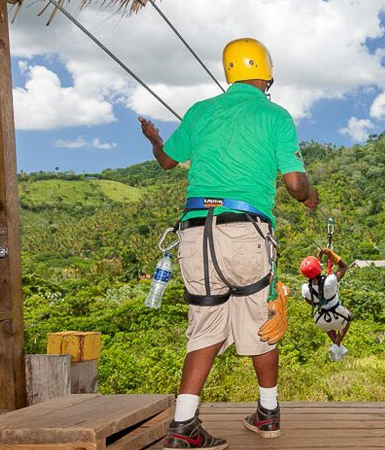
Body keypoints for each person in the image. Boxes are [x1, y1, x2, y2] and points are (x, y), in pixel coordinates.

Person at [139, 38, 319, 449]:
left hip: (196, 232)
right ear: (267, 72)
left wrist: (154, 138)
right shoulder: (275, 115)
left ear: (228, 72)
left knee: (204, 326)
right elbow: (294, 183)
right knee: (262, 321)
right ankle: (268, 415)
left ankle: (184, 426)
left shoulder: (201, 111)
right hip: (245, 231)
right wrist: (310, 196)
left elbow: (167, 160)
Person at [300, 248, 352, 361]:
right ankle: (337, 344)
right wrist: (332, 256)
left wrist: (317, 260)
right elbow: (343, 267)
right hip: (339, 317)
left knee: (327, 322)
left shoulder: (305, 289)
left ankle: (338, 347)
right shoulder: (330, 281)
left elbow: (311, 302)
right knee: (348, 316)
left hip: (322, 322)